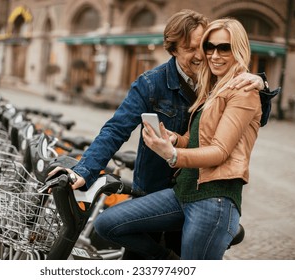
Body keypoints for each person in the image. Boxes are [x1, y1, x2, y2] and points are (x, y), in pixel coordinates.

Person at [49, 9, 278, 258]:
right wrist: (85, 170)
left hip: (205, 192)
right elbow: (116, 129)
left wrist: (260, 85)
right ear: (173, 50)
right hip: (157, 192)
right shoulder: (151, 83)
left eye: (202, 46)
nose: (202, 55)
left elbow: (255, 119)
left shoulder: (220, 80)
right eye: (190, 48)